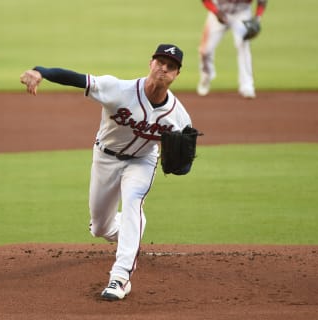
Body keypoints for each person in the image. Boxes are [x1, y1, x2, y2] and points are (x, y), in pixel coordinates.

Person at [20, 44, 192, 301]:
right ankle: (131, 232)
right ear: (151, 63)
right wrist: (40, 71)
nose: (163, 69)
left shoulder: (178, 116)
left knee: (134, 200)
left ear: (176, 74)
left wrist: (182, 165)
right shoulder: (119, 90)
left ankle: (120, 278)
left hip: (142, 162)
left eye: (170, 66)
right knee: (100, 227)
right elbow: (76, 78)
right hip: (105, 158)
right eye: (160, 62)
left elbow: (185, 160)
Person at [197, 0, 268, 98]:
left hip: (242, 14)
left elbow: (262, 1)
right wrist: (216, 12)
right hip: (219, 10)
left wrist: (257, 18)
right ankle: (206, 76)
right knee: (205, 51)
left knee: (243, 46)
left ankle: (247, 86)